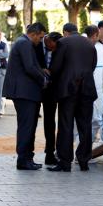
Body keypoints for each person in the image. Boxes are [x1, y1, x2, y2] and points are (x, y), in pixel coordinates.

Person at [48, 23, 97, 172]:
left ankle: (65, 161)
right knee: (85, 125)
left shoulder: (63, 42)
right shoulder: (89, 44)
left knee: (66, 125)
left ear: (65, 32)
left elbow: (55, 67)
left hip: (68, 89)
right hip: (87, 88)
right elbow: (93, 65)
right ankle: (84, 160)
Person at [3, 22, 48, 170]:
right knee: (26, 127)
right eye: (40, 37)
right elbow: (30, 67)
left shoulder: (23, 43)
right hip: (24, 93)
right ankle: (23, 159)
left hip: (27, 93)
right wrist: (43, 79)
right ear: (34, 34)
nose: (40, 41)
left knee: (29, 126)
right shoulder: (24, 44)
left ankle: (28, 157)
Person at [35, 31, 62, 165]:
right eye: (53, 45)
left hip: (51, 89)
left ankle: (50, 152)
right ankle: (28, 154)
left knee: (50, 121)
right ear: (48, 40)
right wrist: (41, 69)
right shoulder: (36, 43)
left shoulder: (58, 47)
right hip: (35, 87)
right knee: (31, 121)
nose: (54, 48)